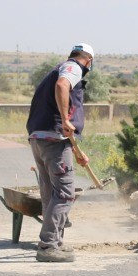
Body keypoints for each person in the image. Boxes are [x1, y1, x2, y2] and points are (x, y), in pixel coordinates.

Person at [25, 44, 95, 263]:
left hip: (40, 138)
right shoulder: (73, 68)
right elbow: (62, 86)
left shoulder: (57, 68)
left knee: (50, 193)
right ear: (89, 61)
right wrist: (65, 119)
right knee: (65, 193)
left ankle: (56, 241)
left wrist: (76, 151)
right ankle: (48, 245)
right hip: (54, 138)